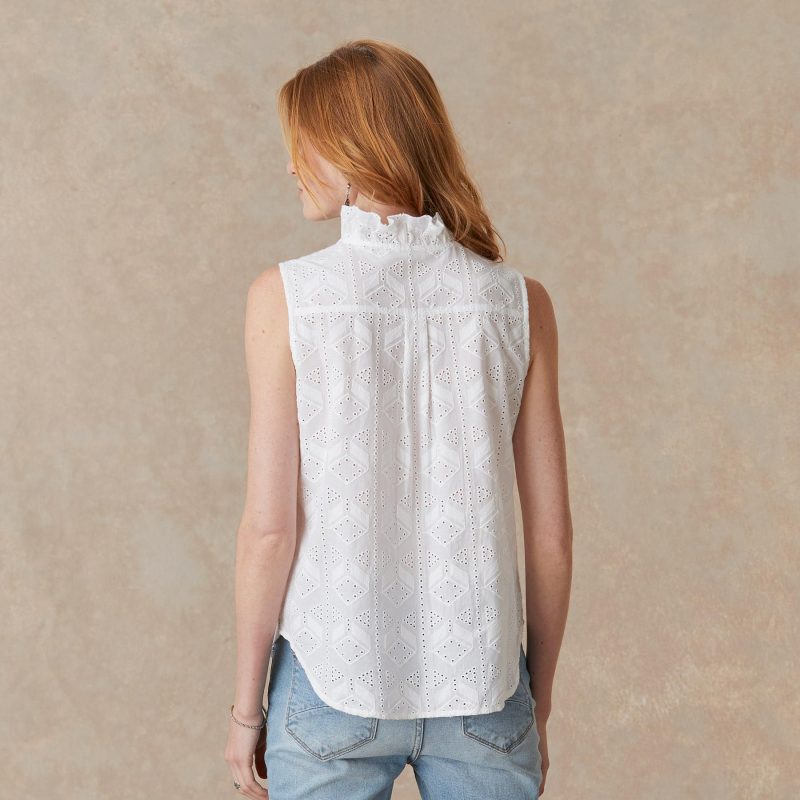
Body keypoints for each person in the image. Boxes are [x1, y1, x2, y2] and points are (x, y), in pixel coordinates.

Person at [224, 38, 572, 800]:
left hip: (331, 679)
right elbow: (550, 537)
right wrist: (535, 705)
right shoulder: (519, 305)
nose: (290, 166)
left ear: (353, 151)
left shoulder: (286, 299)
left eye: (304, 144)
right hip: (485, 689)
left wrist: (247, 711)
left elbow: (269, 531)